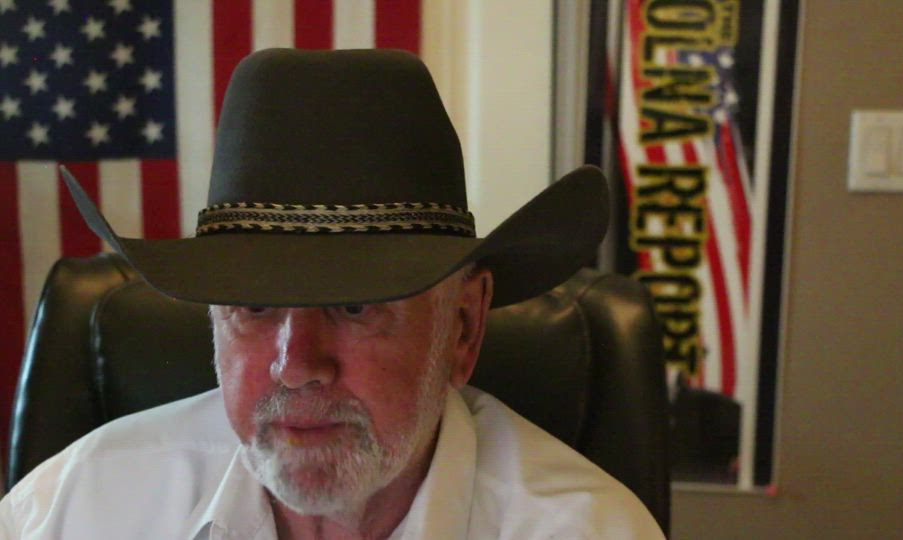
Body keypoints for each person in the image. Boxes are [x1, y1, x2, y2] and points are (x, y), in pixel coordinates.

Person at [0, 49, 664, 539]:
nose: (295, 365)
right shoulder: (78, 509)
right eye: (254, 308)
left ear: (463, 326)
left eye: (354, 306)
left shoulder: (582, 529)